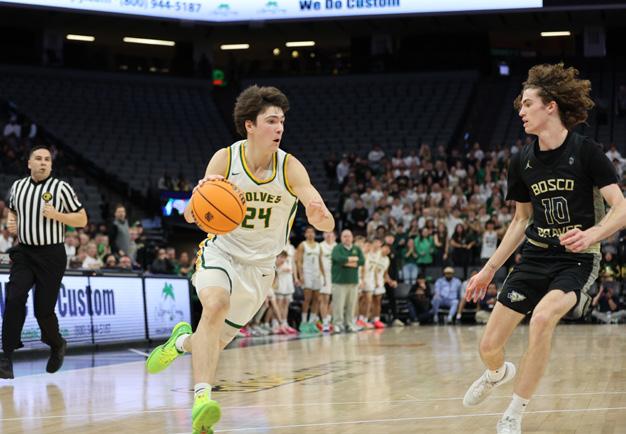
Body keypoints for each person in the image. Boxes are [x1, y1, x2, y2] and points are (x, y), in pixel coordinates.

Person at [144, 85, 334, 434]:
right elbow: (191, 215)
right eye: (271, 121)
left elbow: (324, 219)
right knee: (215, 305)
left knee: (213, 342)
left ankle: (180, 342)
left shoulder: (290, 167)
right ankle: (202, 402)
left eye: (282, 121)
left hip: (260, 268)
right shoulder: (225, 160)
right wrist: (200, 198)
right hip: (222, 251)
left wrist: (319, 214)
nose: (279, 128)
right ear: (250, 125)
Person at [463, 63, 623, 434]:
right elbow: (520, 221)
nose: (521, 111)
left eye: (528, 104)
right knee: (488, 346)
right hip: (535, 257)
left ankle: (513, 414)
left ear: (550, 106)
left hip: (576, 261)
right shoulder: (521, 160)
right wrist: (488, 270)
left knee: (542, 318)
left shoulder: (587, 152)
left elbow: (622, 207)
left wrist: (593, 234)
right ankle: (497, 373)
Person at [0, 145, 87, 379]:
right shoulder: (18, 186)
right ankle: (6, 357)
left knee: (43, 310)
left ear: (51, 165)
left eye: (47, 159)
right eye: (38, 158)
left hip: (51, 255)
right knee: (14, 299)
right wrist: (11, 220)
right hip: (24, 252)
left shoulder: (61, 188)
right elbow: (13, 210)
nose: (43, 162)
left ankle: (57, 344)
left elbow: (82, 219)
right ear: (29, 163)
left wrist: (58, 215)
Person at [331, 229, 365, 334]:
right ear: (341, 238)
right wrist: (353, 260)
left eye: (349, 236)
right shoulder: (337, 248)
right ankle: (337, 324)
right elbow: (338, 259)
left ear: (352, 238)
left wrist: (346, 262)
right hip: (339, 282)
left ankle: (349, 324)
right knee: (339, 305)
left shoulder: (356, 248)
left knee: (351, 305)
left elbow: (362, 261)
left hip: (353, 281)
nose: (347, 238)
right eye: (345, 236)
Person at [296, 226, 324, 334]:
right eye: (308, 232)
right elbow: (299, 262)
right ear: (305, 234)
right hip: (307, 273)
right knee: (307, 299)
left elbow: (320, 261)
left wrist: (323, 275)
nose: (310, 234)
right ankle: (303, 322)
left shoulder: (318, 246)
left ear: (315, 234)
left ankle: (312, 322)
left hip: (317, 274)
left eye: (312, 232)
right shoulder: (302, 245)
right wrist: (301, 275)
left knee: (316, 298)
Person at [319, 231, 337, 332]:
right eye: (327, 233)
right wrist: (322, 276)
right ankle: (325, 322)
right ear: (323, 235)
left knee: (335, 299)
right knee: (324, 299)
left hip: (336, 276)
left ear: (335, 236)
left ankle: (329, 319)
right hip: (324, 276)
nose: (329, 235)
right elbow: (318, 262)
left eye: (331, 234)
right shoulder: (320, 246)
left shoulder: (337, 247)